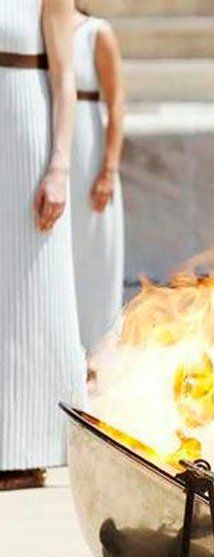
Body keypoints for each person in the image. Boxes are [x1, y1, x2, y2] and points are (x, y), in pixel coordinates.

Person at [0, 0, 87, 490]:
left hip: (22, 138)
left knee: (31, 290)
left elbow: (64, 79)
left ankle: (28, 448)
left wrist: (59, 165)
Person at [70, 1, 125, 384]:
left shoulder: (96, 32)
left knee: (93, 254)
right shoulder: (36, 33)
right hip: (46, 159)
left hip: (88, 159)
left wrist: (108, 169)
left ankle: (95, 352)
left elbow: (117, 102)